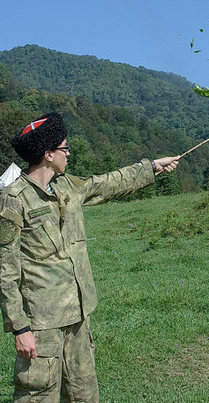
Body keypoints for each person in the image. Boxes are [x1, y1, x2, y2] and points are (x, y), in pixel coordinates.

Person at [0, 113, 180, 402]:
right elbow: (5, 271)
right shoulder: (13, 199)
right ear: (48, 155)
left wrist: (152, 167)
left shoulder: (66, 186)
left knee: (84, 395)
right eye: (64, 148)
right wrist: (20, 327)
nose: (68, 153)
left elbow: (107, 183)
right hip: (42, 324)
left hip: (78, 318)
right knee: (37, 395)